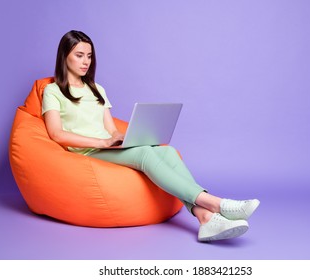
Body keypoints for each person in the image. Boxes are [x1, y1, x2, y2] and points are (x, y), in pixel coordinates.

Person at [42, 30, 260, 242]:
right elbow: (56, 134)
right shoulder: (53, 91)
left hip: (107, 147)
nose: (86, 61)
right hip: (86, 151)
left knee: (167, 151)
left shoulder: (96, 88)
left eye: (89, 56)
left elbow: (111, 129)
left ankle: (206, 218)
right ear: (64, 56)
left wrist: (126, 139)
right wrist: (102, 142)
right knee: (145, 155)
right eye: (79, 55)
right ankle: (216, 203)